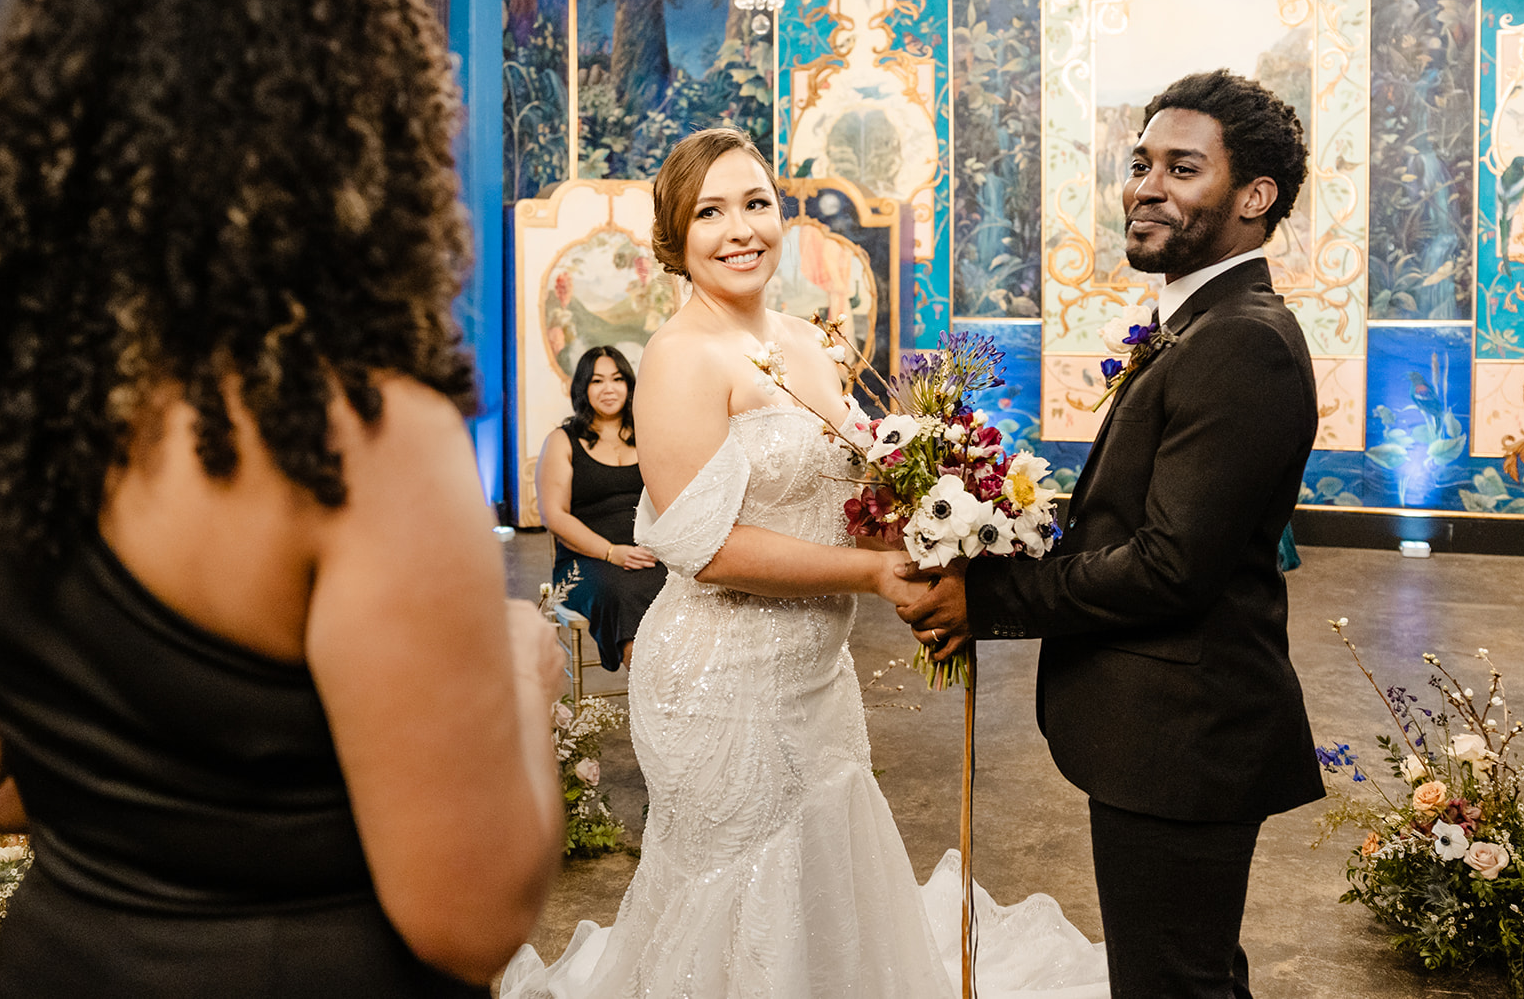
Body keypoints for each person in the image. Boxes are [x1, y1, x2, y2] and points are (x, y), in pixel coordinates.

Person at [0, 0, 563, 995]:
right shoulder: (360, 428)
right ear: (350, 98)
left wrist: (165, 808)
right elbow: (472, 913)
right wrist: (522, 670)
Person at [500, 127, 1108, 997]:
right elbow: (704, 548)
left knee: (816, 887)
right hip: (719, 685)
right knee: (740, 899)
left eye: (756, 203)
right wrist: (868, 574)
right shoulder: (677, 357)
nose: (740, 228)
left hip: (816, 678)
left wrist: (942, 542)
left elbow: (846, 495)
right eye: (711, 212)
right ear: (677, 237)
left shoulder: (808, 340)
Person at [896, 69, 1325, 998]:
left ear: (1255, 197)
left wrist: (987, 598)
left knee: (1170, 982)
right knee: (1191, 970)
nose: (1145, 186)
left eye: (1181, 168)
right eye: (1139, 164)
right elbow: (1141, 515)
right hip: (1164, 734)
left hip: (1186, 737)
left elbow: (1173, 567)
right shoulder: (1198, 324)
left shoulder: (1240, 340)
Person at [535, 346, 666, 670]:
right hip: (588, 560)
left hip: (649, 550)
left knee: (690, 581)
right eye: (597, 381)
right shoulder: (562, 441)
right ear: (583, 387)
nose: (609, 389)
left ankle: (689, 691)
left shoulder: (650, 433)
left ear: (629, 384)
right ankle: (652, 696)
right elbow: (554, 516)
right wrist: (611, 552)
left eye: (617, 379)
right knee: (619, 590)